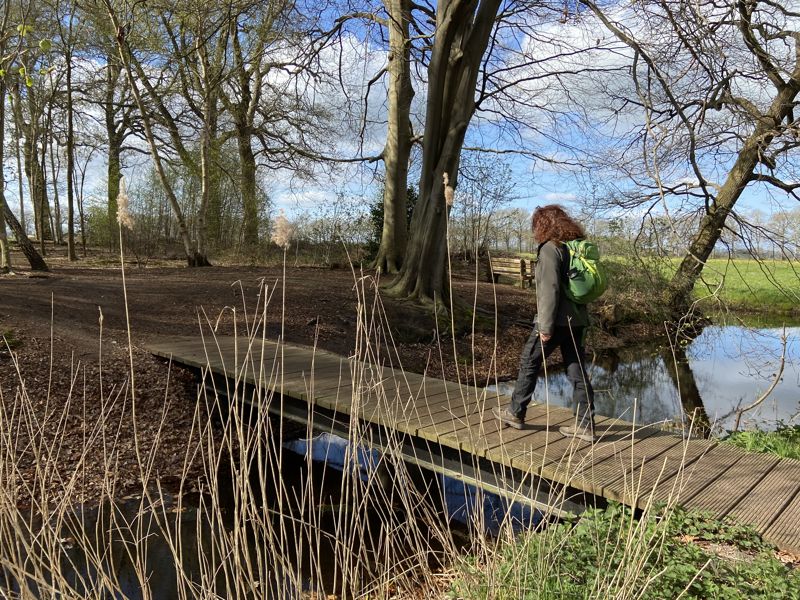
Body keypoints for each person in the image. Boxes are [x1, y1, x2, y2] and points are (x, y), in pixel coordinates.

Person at [493, 204, 597, 442]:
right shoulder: (574, 249)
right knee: (577, 371)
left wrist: (545, 328)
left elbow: (549, 291)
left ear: (543, 225)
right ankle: (586, 425)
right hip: (577, 321)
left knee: (529, 362)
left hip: (555, 322)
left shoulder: (551, 249)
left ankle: (515, 413)